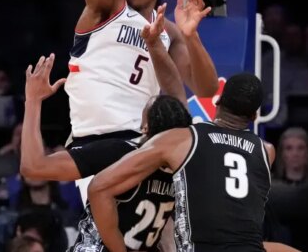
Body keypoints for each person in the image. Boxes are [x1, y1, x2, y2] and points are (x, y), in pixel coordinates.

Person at [60, 0, 218, 148]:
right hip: (91, 137)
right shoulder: (109, 4)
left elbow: (207, 89)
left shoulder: (168, 32)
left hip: (140, 139)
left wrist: (191, 36)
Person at [18, 52, 191, 251]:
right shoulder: (184, 170)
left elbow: (33, 166)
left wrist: (33, 101)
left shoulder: (119, 152)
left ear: (144, 127)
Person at [88, 73, 271, 252]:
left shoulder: (182, 140)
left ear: (217, 101)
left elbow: (99, 188)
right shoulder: (266, 151)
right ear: (254, 115)